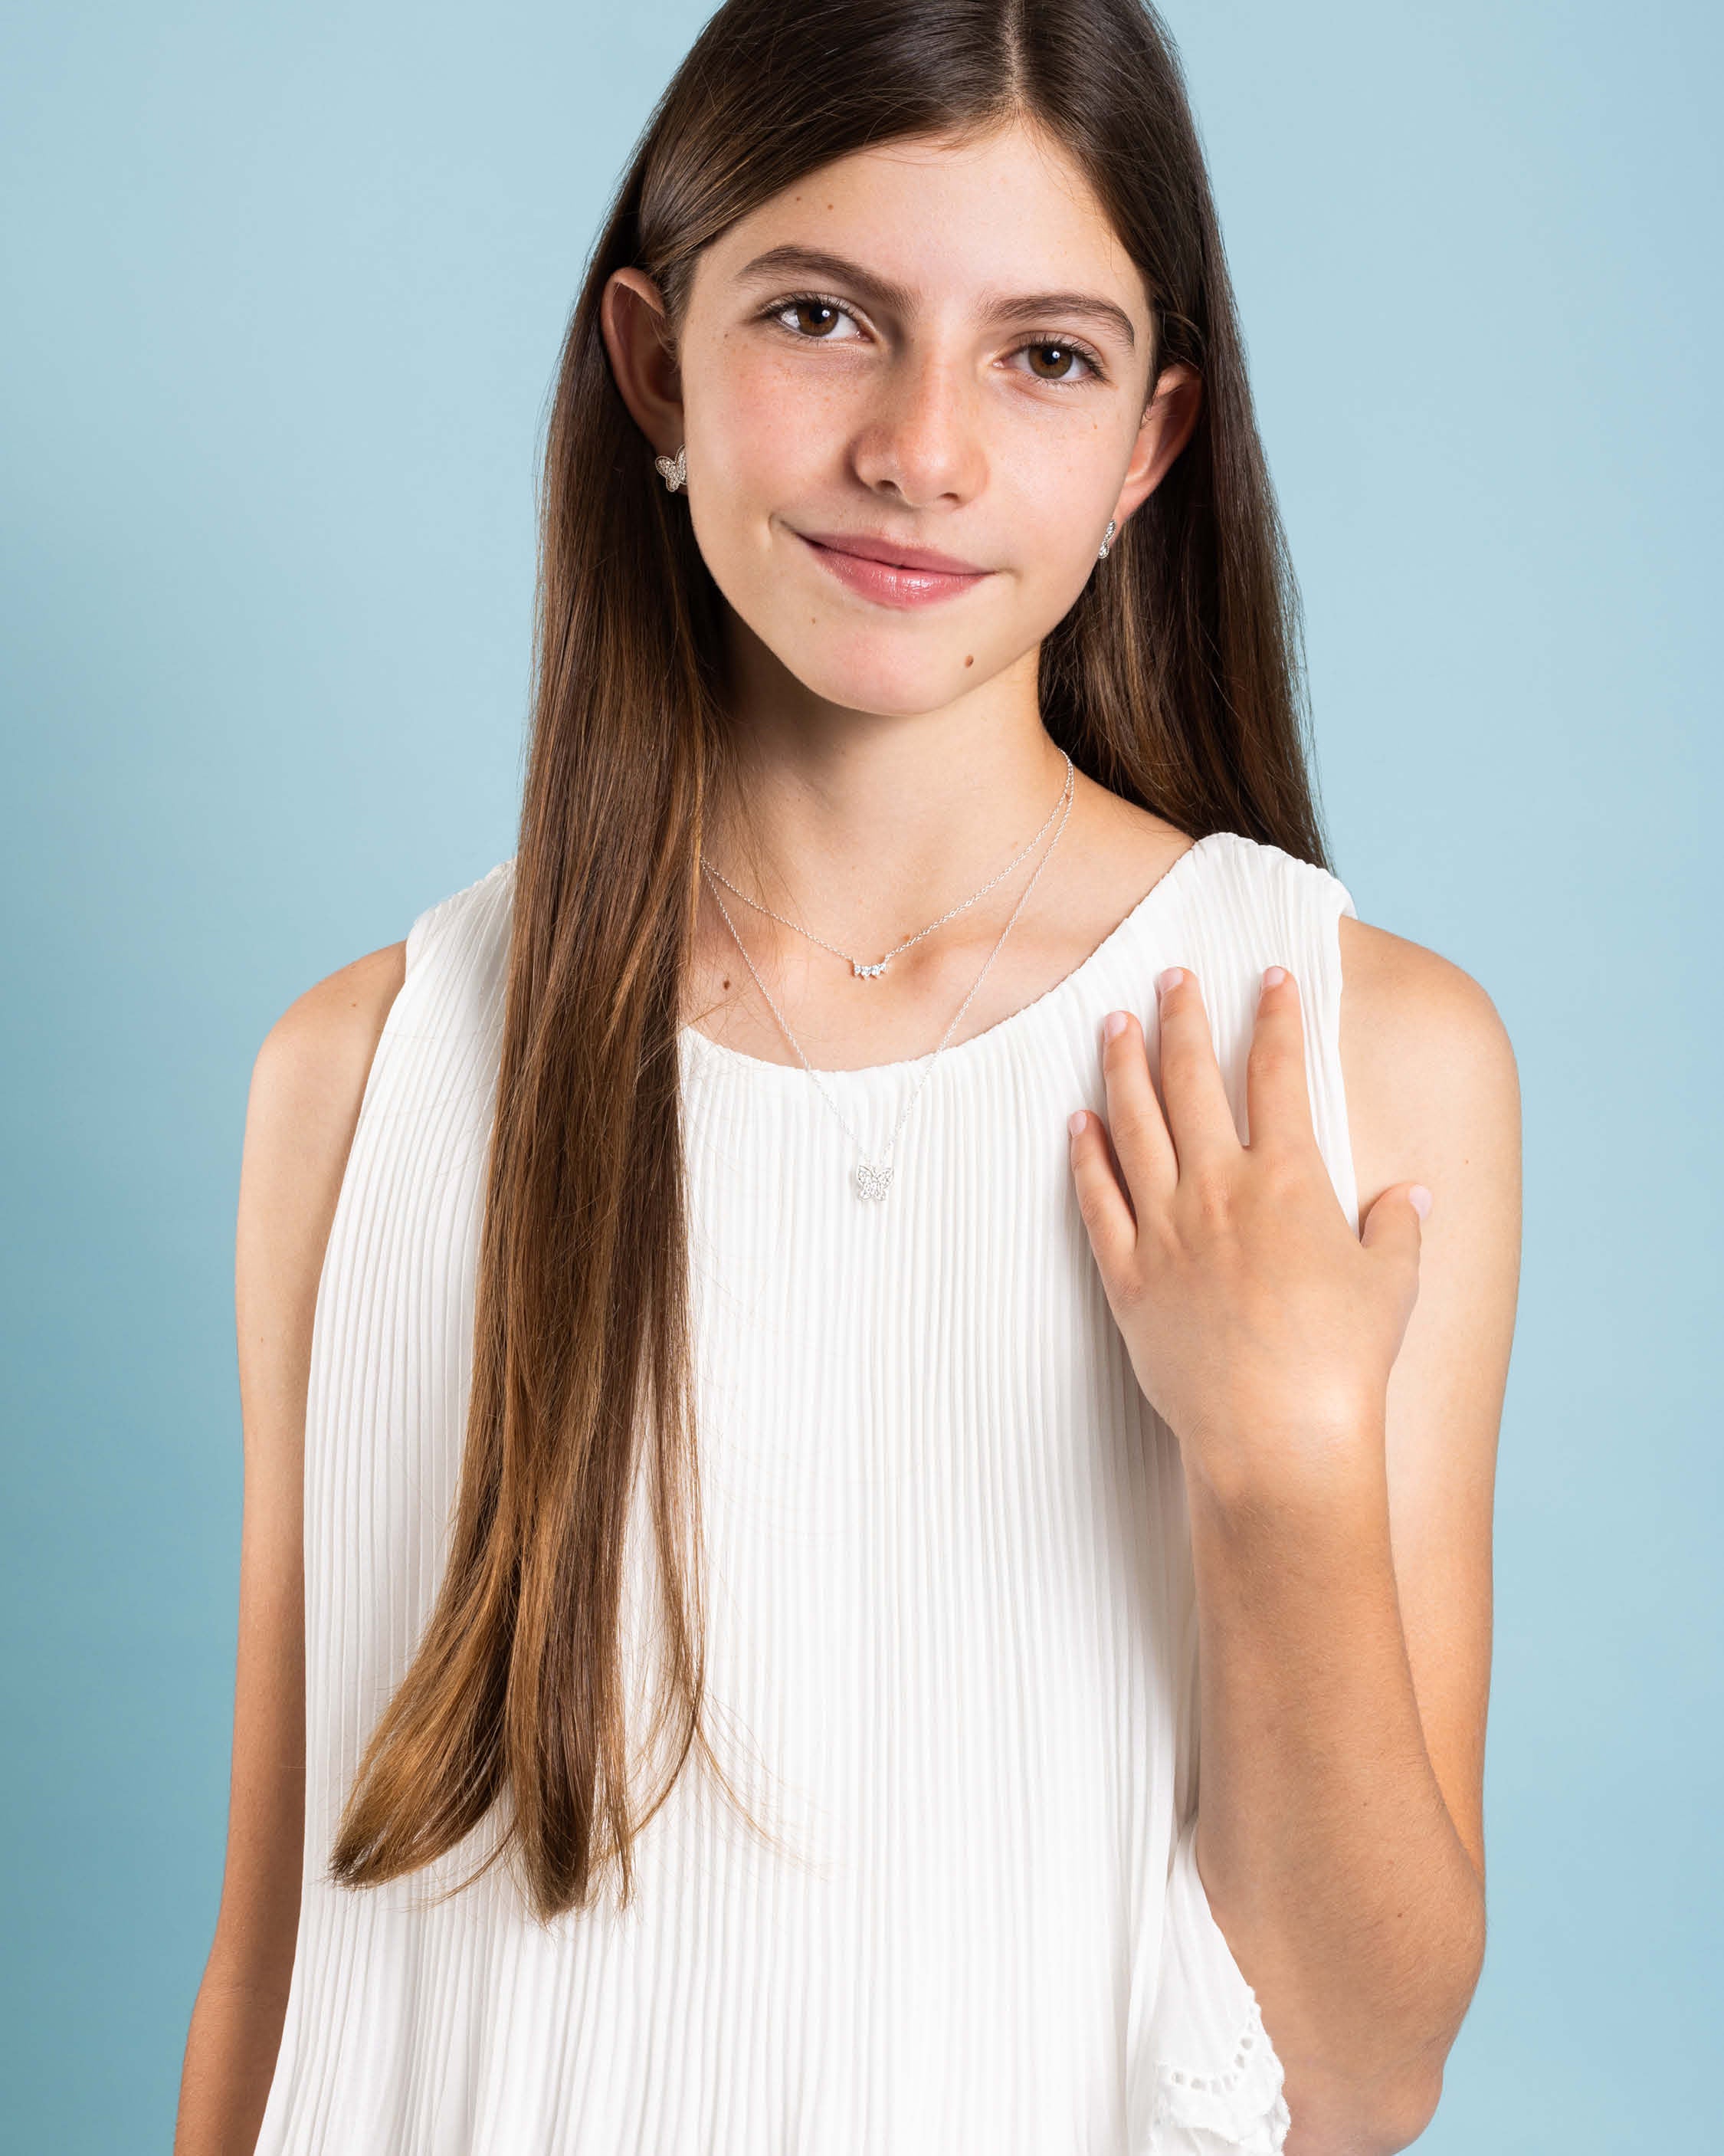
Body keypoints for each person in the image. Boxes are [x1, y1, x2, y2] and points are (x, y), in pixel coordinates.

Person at [174, 2, 1521, 2151]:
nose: (924, 449)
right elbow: (272, 1967)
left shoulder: (1340, 1061)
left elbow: (1355, 2084)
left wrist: (1278, 1456)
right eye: (822, 317)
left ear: (1149, 446)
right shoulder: (362, 1078)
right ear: (652, 367)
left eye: (1043, 356)